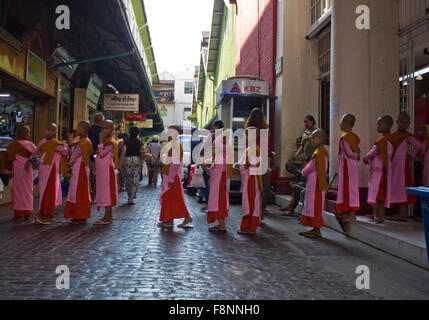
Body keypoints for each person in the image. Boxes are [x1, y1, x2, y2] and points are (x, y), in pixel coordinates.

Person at [31, 123, 69, 225]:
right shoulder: (42, 142)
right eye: (48, 129)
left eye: (52, 130)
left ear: (56, 132)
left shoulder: (56, 144)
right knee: (44, 191)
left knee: (48, 192)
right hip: (43, 169)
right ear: (45, 130)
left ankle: (46, 216)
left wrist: (68, 144)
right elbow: (35, 153)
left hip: (51, 171)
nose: (49, 132)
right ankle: (49, 214)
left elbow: (65, 152)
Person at [386, 113, 421, 222]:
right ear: (397, 122)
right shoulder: (393, 135)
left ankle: (402, 214)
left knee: (402, 188)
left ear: (409, 124)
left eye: (406, 122)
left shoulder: (407, 136)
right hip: (394, 165)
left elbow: (418, 145)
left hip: (402, 167)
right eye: (401, 121)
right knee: (396, 187)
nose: (403, 124)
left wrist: (411, 155)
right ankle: (399, 213)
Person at [158, 125, 193, 228]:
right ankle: (179, 218)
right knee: (175, 199)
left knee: (171, 199)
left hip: (172, 177)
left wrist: (171, 179)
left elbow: (174, 163)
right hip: (171, 176)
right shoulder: (173, 145)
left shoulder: (175, 146)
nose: (168, 134)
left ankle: (170, 221)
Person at [363, 115, 394, 224]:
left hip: (379, 172)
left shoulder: (381, 140)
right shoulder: (392, 139)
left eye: (379, 124)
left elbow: (373, 152)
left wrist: (365, 158)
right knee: (381, 195)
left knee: (376, 195)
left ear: (387, 126)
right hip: (386, 171)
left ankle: (377, 215)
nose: (378, 127)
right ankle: (381, 215)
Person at [298, 129, 329, 238]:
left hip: (316, 184)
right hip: (316, 183)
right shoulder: (322, 151)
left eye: (313, 138)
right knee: (314, 205)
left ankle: (316, 230)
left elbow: (310, 167)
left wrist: (303, 171)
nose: (311, 141)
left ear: (320, 140)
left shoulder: (319, 153)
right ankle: (315, 229)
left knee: (315, 206)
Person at [64, 121, 94, 225]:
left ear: (83, 130)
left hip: (79, 169)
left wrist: (69, 164)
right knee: (81, 192)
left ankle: (80, 215)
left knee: (78, 192)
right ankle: (80, 215)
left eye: (78, 128)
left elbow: (74, 156)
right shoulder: (87, 141)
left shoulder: (82, 143)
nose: (77, 130)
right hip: (83, 168)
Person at [236, 127, 263, 235]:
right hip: (248, 180)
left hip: (252, 181)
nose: (244, 137)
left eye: (246, 135)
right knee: (249, 204)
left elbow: (254, 166)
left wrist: (241, 168)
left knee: (250, 204)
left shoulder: (255, 149)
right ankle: (248, 226)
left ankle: (250, 227)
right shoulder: (249, 148)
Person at [244, 108, 272, 215]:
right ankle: (259, 211)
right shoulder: (265, 132)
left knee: (252, 188)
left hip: (251, 163)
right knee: (262, 188)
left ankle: (252, 211)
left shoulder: (248, 130)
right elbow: (268, 151)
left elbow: (246, 148)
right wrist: (268, 166)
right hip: (262, 163)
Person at [6, 125, 36, 221]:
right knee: (27, 191)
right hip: (26, 172)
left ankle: (20, 214)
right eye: (28, 132)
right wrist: (30, 160)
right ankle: (27, 213)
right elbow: (37, 155)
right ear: (21, 133)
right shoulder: (30, 145)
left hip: (19, 172)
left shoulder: (12, 145)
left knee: (19, 191)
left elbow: (10, 160)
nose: (29, 134)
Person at [206, 130, 233, 233]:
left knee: (219, 202)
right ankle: (221, 224)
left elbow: (217, 171)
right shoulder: (219, 156)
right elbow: (214, 171)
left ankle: (222, 225)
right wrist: (207, 169)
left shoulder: (221, 155)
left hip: (219, 183)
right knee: (218, 202)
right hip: (218, 182)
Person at [336, 114, 361, 223]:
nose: (340, 124)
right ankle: (348, 213)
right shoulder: (354, 136)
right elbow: (357, 150)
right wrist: (358, 155)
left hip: (347, 167)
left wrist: (356, 155)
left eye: (341, 121)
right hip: (353, 166)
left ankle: (351, 215)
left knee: (348, 190)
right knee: (351, 190)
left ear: (345, 124)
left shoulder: (345, 138)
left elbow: (350, 153)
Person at [94, 120, 118, 225]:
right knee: (104, 191)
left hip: (107, 170)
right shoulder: (105, 141)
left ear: (112, 130)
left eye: (106, 128)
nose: (103, 131)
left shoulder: (110, 142)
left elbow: (102, 153)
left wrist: (100, 141)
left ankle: (108, 216)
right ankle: (108, 216)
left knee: (107, 192)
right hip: (102, 170)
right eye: (102, 128)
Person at [200, 120, 224, 211]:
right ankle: (215, 203)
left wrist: (201, 157)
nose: (212, 127)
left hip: (209, 162)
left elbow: (204, 149)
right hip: (220, 164)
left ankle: (208, 204)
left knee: (208, 183)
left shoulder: (213, 136)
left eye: (213, 125)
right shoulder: (224, 137)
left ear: (216, 126)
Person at [120, 126, 144, 205]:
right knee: (135, 179)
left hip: (127, 161)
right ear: (137, 133)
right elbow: (142, 152)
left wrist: (120, 163)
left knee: (128, 179)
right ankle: (131, 198)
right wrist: (141, 160)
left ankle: (129, 195)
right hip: (136, 160)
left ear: (130, 132)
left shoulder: (126, 141)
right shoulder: (139, 142)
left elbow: (123, 152)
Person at [88, 113, 105, 203]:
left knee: (89, 178)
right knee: (95, 179)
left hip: (89, 156)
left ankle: (89, 197)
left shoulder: (89, 129)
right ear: (102, 121)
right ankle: (94, 198)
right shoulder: (102, 132)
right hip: (98, 156)